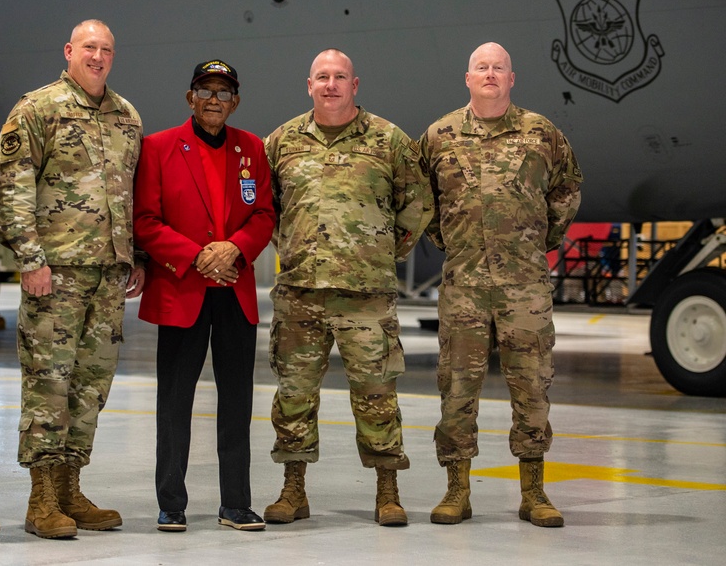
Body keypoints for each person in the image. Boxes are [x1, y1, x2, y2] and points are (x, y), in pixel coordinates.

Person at [262, 49, 433, 526]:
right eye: (322, 77)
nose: (331, 84)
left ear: (355, 85)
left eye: (340, 77)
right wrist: (291, 244)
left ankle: (387, 492)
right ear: (309, 84)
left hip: (366, 295)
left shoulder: (389, 140)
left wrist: (381, 250)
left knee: (377, 393)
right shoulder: (281, 142)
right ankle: (293, 490)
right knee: (294, 393)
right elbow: (265, 209)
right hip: (300, 291)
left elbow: (417, 204)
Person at [419, 42, 582, 528]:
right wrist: (451, 241)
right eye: (481, 68)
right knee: (457, 388)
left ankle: (534, 492)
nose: (490, 74)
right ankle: (456, 491)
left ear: (512, 78)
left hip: (524, 287)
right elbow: (420, 199)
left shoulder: (542, 133)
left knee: (531, 387)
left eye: (499, 68)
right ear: (467, 78)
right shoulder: (439, 135)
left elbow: (566, 191)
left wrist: (534, 243)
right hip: (464, 284)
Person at [0, 19, 144, 539]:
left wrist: (136, 256)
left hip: (108, 276)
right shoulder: (37, 110)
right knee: (48, 384)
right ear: (69, 51)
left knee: (90, 387)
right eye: (89, 48)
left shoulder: (127, 117)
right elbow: (12, 190)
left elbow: (132, 194)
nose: (98, 56)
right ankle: (41, 499)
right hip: (54, 274)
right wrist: (31, 260)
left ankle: (70, 487)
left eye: (106, 48)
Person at [134, 60, 276, 532]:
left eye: (224, 91)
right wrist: (197, 256)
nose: (214, 99)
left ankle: (235, 502)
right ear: (189, 97)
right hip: (183, 287)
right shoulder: (157, 147)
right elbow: (146, 221)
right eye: (205, 90)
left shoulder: (252, 148)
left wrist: (233, 249)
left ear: (235, 101)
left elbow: (264, 214)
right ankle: (171, 502)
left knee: (237, 400)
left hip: (234, 289)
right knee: (175, 401)